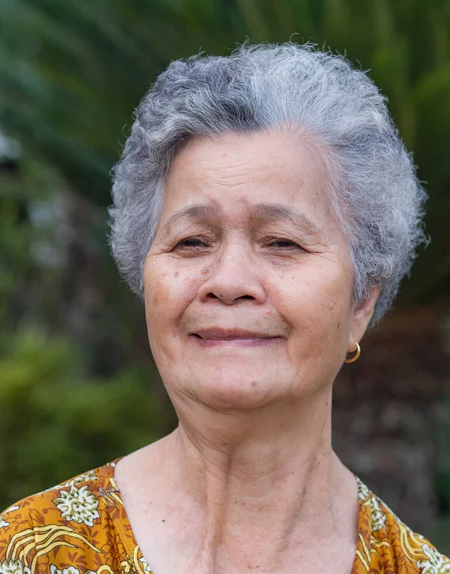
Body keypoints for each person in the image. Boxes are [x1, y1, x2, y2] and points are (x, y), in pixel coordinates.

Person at [0, 42, 447, 574]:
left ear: (362, 300)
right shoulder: (29, 552)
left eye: (282, 242)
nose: (228, 282)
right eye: (191, 242)